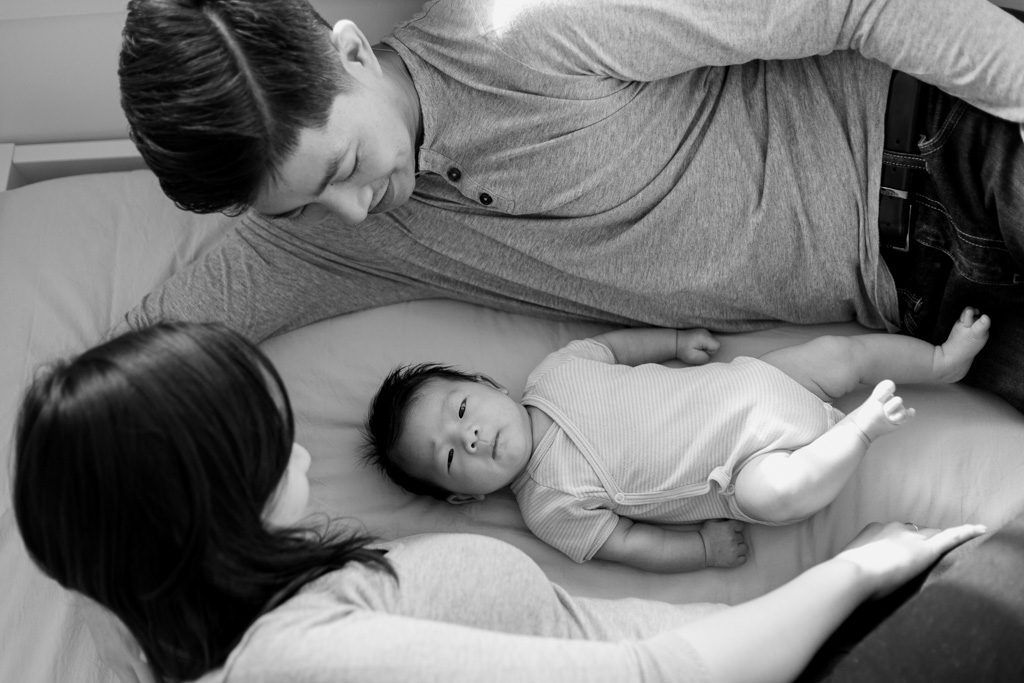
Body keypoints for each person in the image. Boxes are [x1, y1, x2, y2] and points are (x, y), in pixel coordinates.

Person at [114, 0, 1024, 412]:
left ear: (350, 54)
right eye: (300, 207)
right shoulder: (324, 238)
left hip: (942, 142)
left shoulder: (525, 30)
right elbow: (143, 360)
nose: (352, 211)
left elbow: (856, 2)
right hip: (925, 303)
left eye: (344, 165)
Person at [12, 321, 987, 683]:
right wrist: (857, 567)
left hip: (774, 630)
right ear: (206, 491)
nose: (294, 441)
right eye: (261, 433)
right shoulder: (300, 657)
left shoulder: (283, 622)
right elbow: (656, 673)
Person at [362, 309, 989, 573]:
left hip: (761, 380)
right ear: (462, 499)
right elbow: (632, 544)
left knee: (839, 353)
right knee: (782, 494)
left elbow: (616, 348)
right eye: (451, 456)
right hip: (741, 470)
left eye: (461, 409)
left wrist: (673, 342)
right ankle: (859, 431)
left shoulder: (555, 371)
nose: (471, 436)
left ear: (487, 384)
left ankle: (939, 362)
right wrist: (701, 550)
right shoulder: (547, 508)